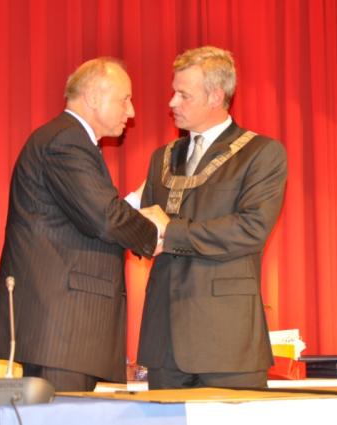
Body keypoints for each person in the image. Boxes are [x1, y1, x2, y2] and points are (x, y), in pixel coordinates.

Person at [0, 57, 166, 392]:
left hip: (64, 331)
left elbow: (87, 215)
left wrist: (134, 206)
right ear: (94, 97)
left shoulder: (67, 139)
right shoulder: (66, 141)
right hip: (61, 330)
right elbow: (103, 218)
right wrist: (157, 232)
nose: (131, 112)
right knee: (64, 413)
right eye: (125, 99)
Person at [137, 46, 288, 389]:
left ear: (216, 96)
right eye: (173, 92)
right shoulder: (162, 157)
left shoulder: (261, 153)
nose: (172, 102)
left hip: (226, 342)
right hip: (164, 342)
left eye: (183, 95)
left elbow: (251, 230)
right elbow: (149, 229)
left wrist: (171, 232)